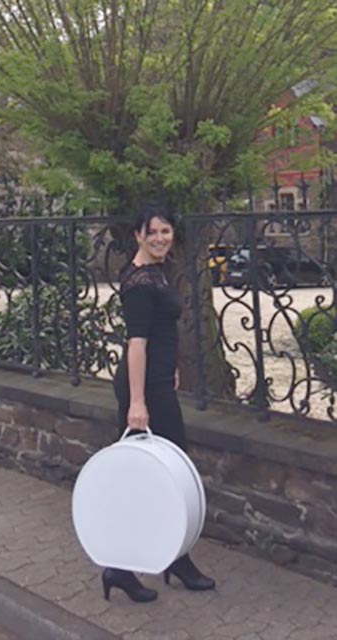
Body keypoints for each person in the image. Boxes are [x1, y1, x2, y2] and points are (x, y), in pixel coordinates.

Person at [102, 207, 216, 603]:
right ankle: (165, 561)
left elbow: (160, 332)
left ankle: (138, 564)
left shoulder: (155, 272)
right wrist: (137, 402)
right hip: (145, 390)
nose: (160, 238)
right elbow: (136, 344)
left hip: (158, 382)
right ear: (137, 235)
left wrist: (171, 370)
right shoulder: (139, 281)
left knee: (157, 475)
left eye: (165, 231)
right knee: (164, 475)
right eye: (152, 232)